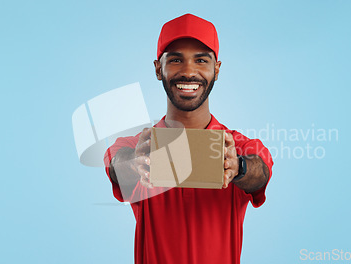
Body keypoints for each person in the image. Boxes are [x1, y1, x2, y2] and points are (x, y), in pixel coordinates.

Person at [103, 13, 274, 264]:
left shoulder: (236, 146)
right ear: (158, 69)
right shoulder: (138, 147)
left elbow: (259, 173)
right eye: (175, 60)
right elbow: (119, 166)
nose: (188, 71)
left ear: (216, 69)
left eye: (201, 60)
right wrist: (134, 162)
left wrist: (239, 166)